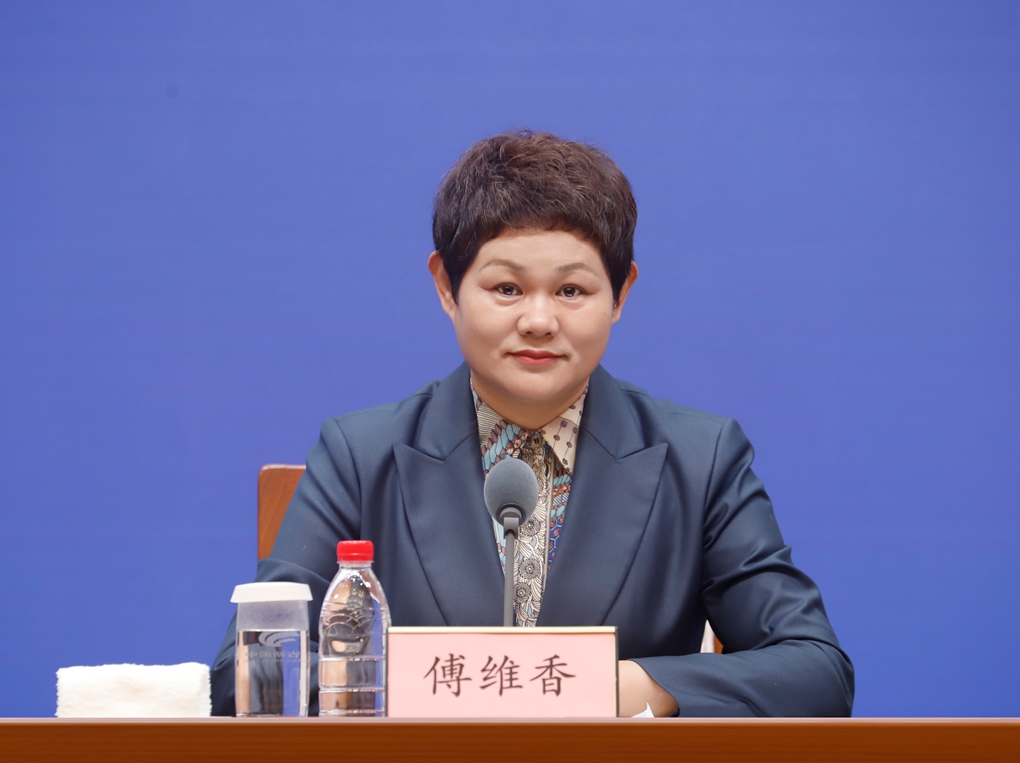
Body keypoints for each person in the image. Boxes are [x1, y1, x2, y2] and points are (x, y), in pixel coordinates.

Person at [210, 130, 854, 717]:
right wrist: (449, 690)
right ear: (446, 287)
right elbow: (247, 675)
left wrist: (625, 687)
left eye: (572, 291)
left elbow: (815, 671)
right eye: (507, 289)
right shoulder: (361, 455)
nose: (540, 321)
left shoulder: (700, 458)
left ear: (621, 294)